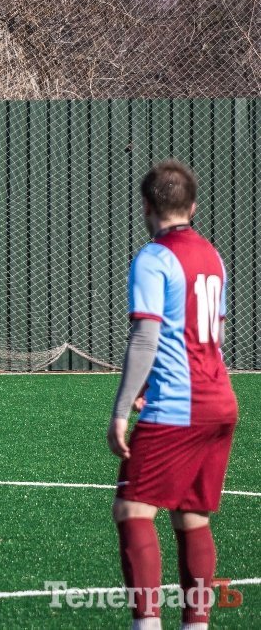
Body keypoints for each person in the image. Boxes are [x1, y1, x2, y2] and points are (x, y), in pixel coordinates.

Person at [107, 160, 238, 630]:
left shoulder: (153, 257)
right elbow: (214, 333)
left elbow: (146, 337)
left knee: (132, 508)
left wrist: (122, 409)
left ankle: (147, 623)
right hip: (220, 400)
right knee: (191, 515)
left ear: (146, 205)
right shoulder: (213, 256)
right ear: (193, 207)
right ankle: (196, 624)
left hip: (180, 405)